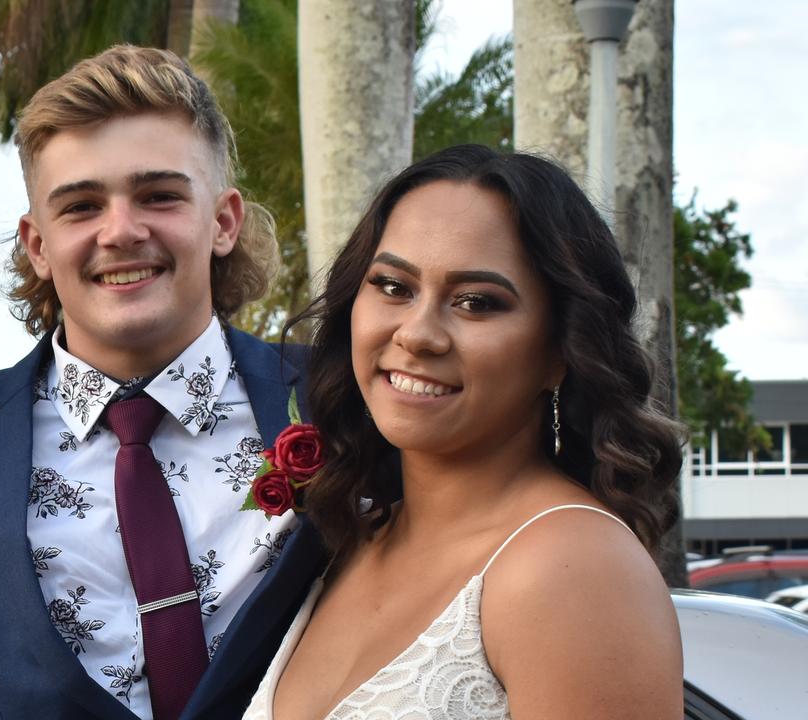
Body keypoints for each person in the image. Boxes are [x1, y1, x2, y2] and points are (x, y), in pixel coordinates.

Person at [0, 45, 325, 720]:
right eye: (81, 206)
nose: (121, 230)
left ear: (223, 221)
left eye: (159, 195)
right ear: (37, 244)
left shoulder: (346, 403)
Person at [243, 145, 685, 719]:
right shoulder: (350, 540)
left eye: (476, 302)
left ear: (561, 351)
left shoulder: (575, 570)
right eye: (394, 287)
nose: (418, 334)